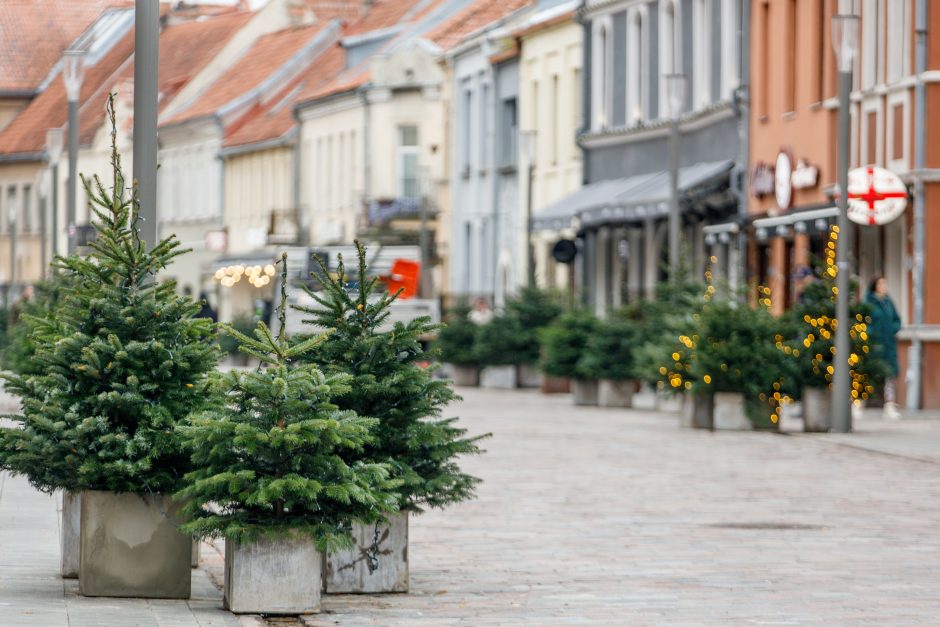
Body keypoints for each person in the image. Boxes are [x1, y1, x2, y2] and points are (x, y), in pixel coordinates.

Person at [866, 275, 902, 420]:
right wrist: (871, 333)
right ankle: (857, 403)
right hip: (874, 343)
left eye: (885, 283)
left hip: (889, 344)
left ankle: (889, 405)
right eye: (881, 283)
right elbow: (864, 320)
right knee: (869, 373)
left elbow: (897, 320)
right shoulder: (869, 302)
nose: (883, 286)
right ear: (875, 285)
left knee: (889, 374)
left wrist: (893, 329)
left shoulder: (888, 302)